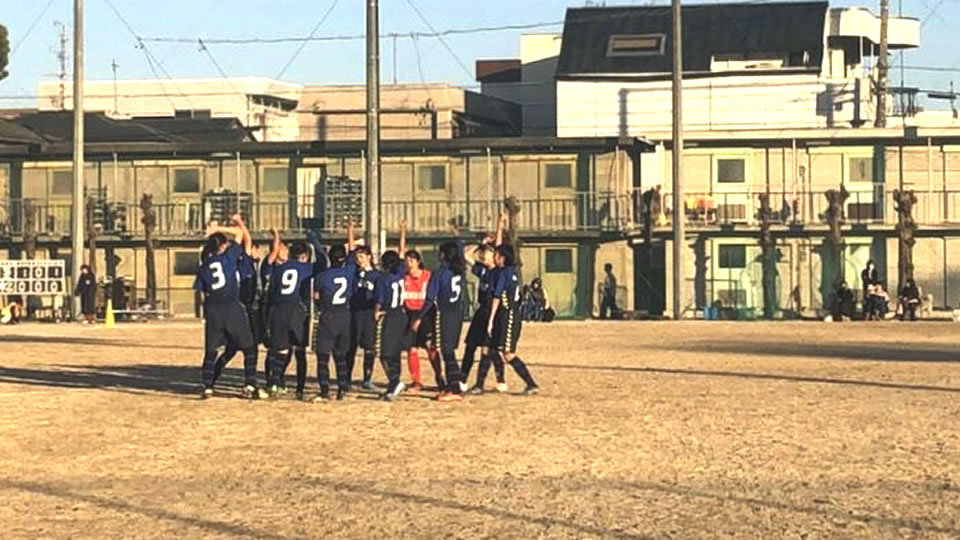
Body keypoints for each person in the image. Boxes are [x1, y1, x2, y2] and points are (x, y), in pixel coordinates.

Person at [194, 219, 262, 399]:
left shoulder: (203, 268)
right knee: (249, 348)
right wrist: (218, 228)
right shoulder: (228, 257)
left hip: (213, 309)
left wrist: (205, 312)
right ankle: (249, 384)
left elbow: (201, 294)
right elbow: (240, 233)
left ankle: (207, 386)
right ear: (223, 246)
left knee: (211, 351)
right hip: (232, 307)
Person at [411, 224, 467, 401]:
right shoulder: (460, 271)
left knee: (447, 352)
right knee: (449, 351)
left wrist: (418, 318)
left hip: (445, 315)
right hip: (458, 314)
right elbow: (461, 253)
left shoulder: (439, 274)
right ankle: (455, 386)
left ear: (443, 255)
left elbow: (429, 299)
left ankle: (454, 389)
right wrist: (457, 238)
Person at [263, 228, 320, 400]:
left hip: (278, 310)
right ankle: (299, 389)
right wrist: (314, 241)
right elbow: (323, 261)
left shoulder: (279, 269)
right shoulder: (307, 268)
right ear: (305, 257)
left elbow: (272, 292)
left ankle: (274, 383)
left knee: (279, 351)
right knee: (299, 352)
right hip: (297, 311)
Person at [461, 211, 507, 392]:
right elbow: (466, 255)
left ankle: (491, 380)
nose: (484, 256)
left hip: (494, 311)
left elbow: (499, 245)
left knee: (488, 350)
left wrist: (500, 224)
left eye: (488, 254)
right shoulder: (482, 270)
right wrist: (481, 244)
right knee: (470, 346)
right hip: (481, 311)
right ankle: (462, 379)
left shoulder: (500, 272)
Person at [487, 243, 539, 395]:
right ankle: (501, 382)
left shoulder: (504, 273)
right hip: (506, 314)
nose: (494, 258)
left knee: (508, 353)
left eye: (496, 255)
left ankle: (531, 384)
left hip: (509, 315)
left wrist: (490, 320)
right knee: (491, 349)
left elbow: (497, 296)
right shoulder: (510, 271)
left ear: (502, 258)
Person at [312, 230, 356, 401]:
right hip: (345, 316)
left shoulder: (322, 276)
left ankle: (324, 390)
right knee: (341, 356)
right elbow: (352, 252)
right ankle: (342, 388)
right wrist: (350, 231)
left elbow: (316, 297)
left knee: (323, 357)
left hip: (328, 315)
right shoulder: (349, 272)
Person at [374, 221, 410, 402]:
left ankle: (394, 382)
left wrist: (377, 312)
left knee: (385, 354)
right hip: (402, 315)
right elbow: (402, 251)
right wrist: (402, 231)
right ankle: (394, 384)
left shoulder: (383, 278)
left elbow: (380, 300)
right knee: (395, 353)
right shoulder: (401, 273)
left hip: (391, 315)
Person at [346, 221, 381, 390]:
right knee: (350, 346)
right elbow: (351, 250)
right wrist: (350, 231)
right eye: (357, 257)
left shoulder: (376, 275)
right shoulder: (353, 271)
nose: (359, 259)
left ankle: (367, 378)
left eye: (362, 257)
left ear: (369, 257)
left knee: (369, 347)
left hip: (368, 313)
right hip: (354, 312)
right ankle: (346, 377)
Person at [403, 249, 443, 393]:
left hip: (426, 314)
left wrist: (420, 317)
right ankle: (416, 382)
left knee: (429, 346)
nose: (409, 264)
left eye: (411, 260)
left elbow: (431, 299)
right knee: (411, 348)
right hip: (409, 314)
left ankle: (440, 378)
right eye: (406, 261)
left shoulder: (428, 276)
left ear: (418, 262)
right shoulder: (404, 278)